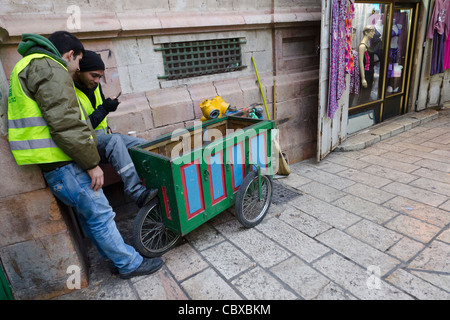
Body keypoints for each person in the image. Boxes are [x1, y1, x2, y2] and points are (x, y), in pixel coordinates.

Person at [7, 31, 162, 279]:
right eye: (78, 62)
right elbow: (65, 122)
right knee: (101, 216)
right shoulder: (49, 66)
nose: (76, 68)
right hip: (62, 161)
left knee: (92, 218)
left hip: (54, 163)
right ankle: (129, 264)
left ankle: (117, 258)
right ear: (69, 55)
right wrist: (91, 164)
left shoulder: (25, 65)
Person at [72, 50, 157, 208]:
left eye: (100, 76)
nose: (97, 80)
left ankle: (156, 184)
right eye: (93, 76)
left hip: (102, 137)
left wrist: (108, 112)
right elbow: (81, 128)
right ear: (79, 71)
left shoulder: (95, 86)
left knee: (141, 144)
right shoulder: (70, 92)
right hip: (86, 143)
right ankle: (136, 192)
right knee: (115, 141)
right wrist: (105, 108)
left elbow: (100, 112)